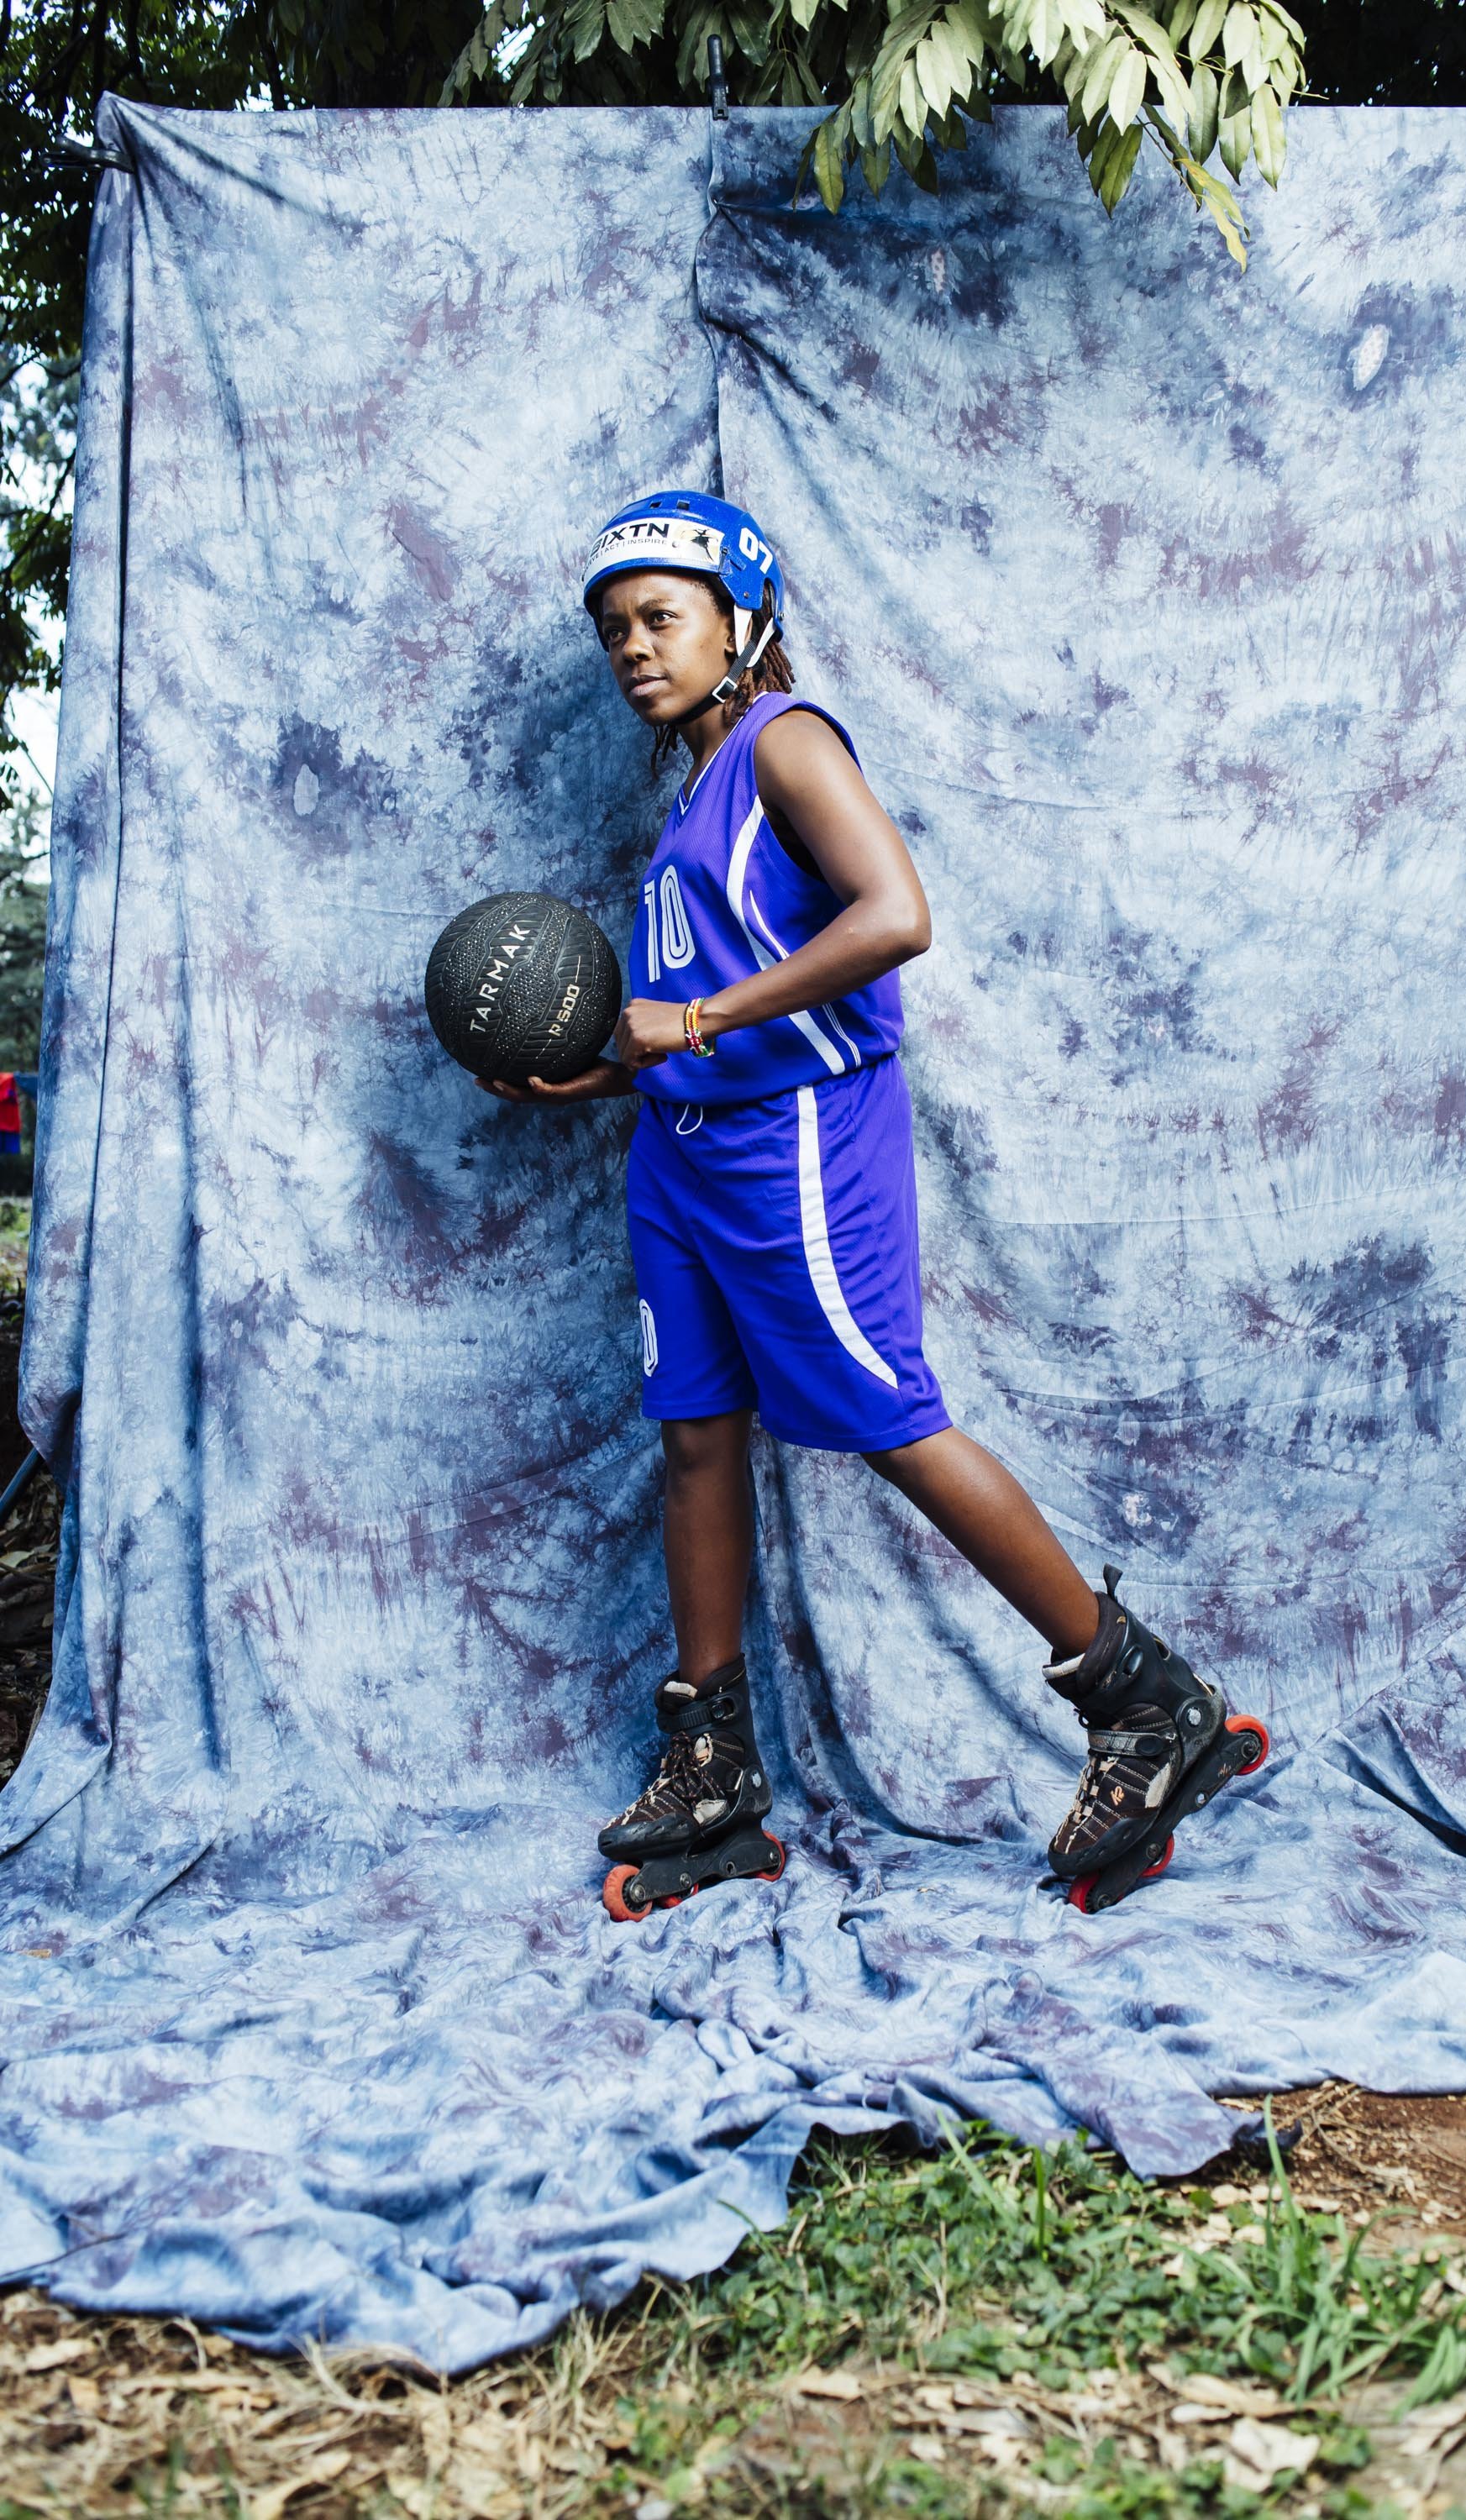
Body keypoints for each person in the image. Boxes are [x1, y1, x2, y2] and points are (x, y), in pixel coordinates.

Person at [480, 493, 1258, 1918]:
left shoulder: (787, 741)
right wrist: (598, 1078)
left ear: (740, 618)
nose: (635, 650)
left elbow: (894, 912)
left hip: (792, 1149)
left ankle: (1148, 1703)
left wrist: (699, 1018)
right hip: (681, 1155)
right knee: (697, 1441)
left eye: (661, 617)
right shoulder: (690, 804)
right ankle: (712, 1765)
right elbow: (682, 1023)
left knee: (887, 1418)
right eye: (615, 633)